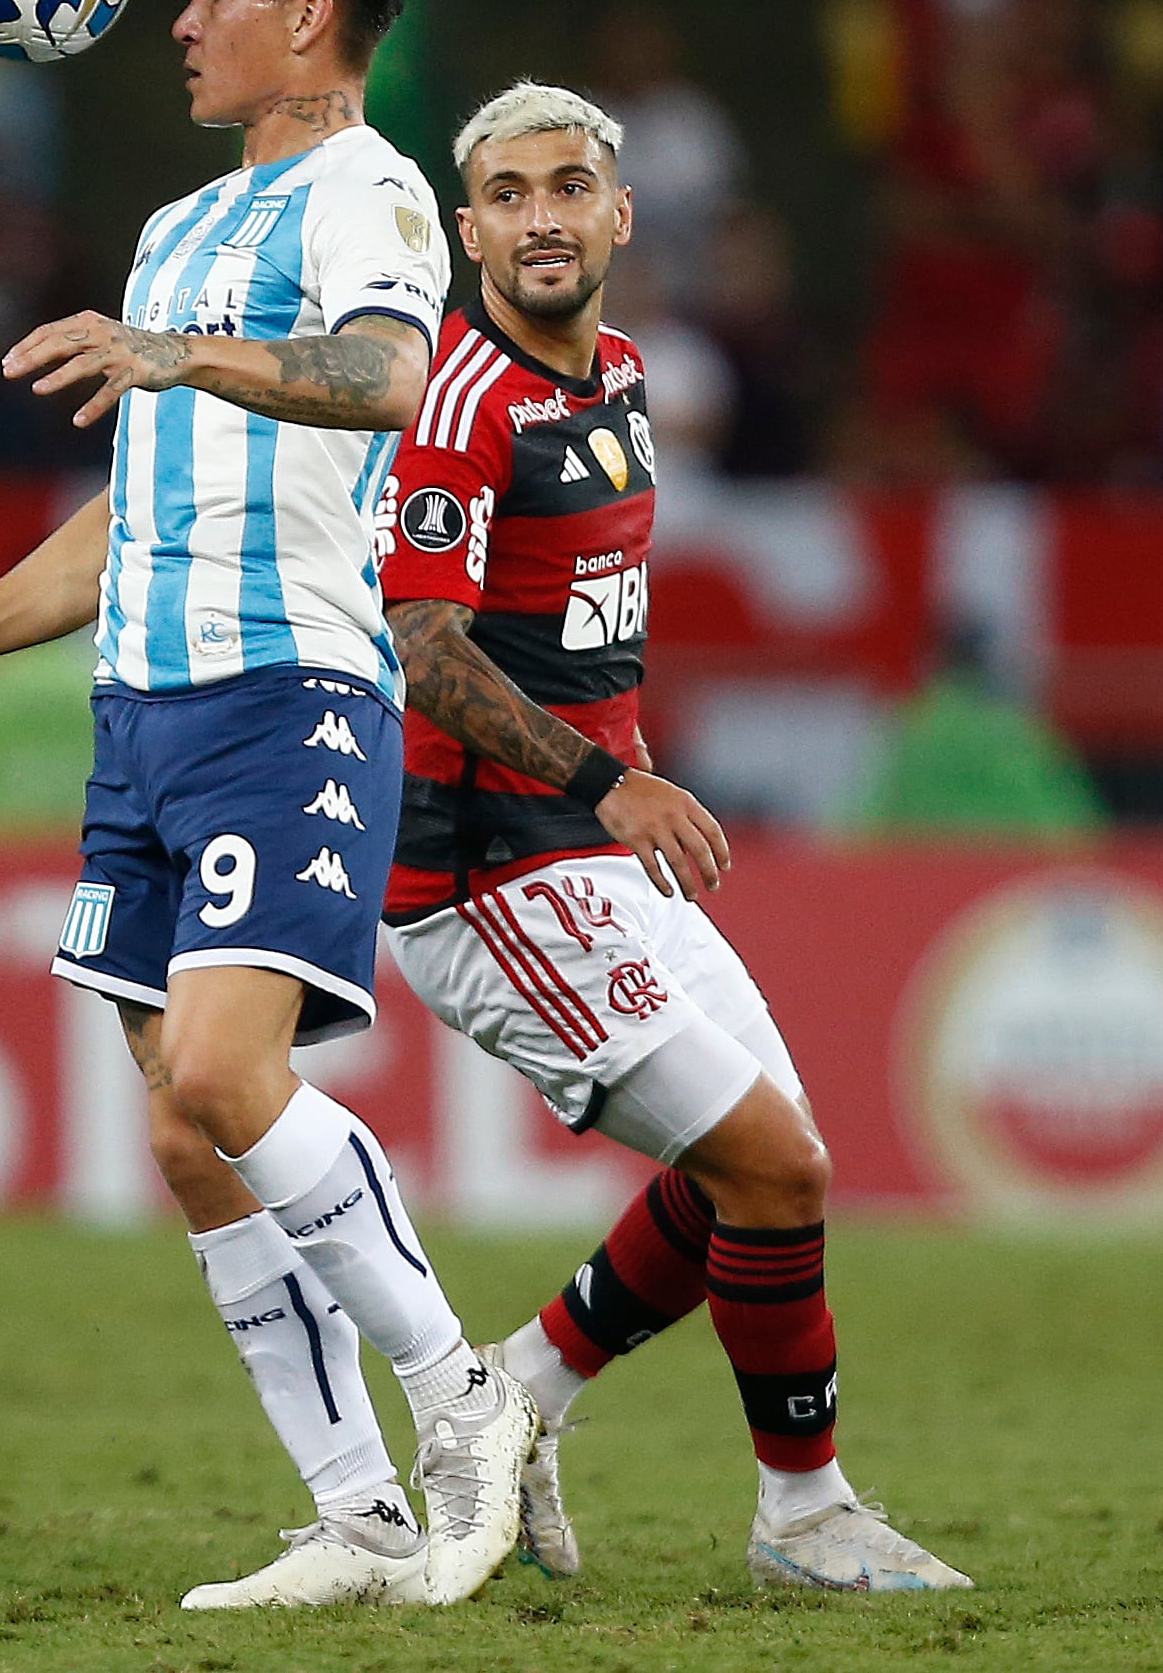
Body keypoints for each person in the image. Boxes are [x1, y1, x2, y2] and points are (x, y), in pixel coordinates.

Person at [0, 0, 536, 1609]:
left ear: (312, 20)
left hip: (287, 690)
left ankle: (471, 1405)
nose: (179, 18)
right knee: (177, 1128)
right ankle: (360, 1515)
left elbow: (389, 379)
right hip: (141, 712)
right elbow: (131, 505)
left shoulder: (368, 192)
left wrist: (174, 355)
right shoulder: (177, 231)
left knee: (234, 1078)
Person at [379, 82, 973, 1594]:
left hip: (592, 846)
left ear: (620, 212)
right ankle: (805, 1512)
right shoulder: (465, 402)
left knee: (768, 1165)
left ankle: (517, 1392)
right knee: (775, 1165)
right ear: (469, 230)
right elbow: (430, 652)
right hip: (487, 869)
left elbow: (584, 629)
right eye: (507, 195)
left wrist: (621, 782)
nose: (542, 219)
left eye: (569, 187)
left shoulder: (628, 375)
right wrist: (610, 786)